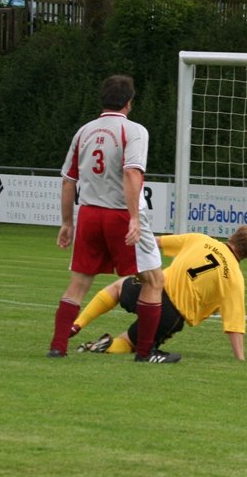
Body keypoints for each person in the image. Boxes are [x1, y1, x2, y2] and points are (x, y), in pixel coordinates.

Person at [47, 75, 169, 363]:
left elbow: (68, 180)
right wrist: (134, 218)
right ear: (129, 102)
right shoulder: (134, 131)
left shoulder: (84, 132)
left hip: (89, 214)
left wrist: (67, 223)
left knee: (79, 283)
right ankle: (145, 352)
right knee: (154, 280)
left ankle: (58, 346)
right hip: (120, 214)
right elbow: (131, 172)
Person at [71, 226, 247, 361]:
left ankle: (76, 324)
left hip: (152, 289)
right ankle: (108, 345)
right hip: (171, 315)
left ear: (233, 236)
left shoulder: (201, 239)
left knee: (118, 287)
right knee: (131, 343)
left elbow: (157, 242)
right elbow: (234, 326)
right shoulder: (235, 279)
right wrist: (240, 359)